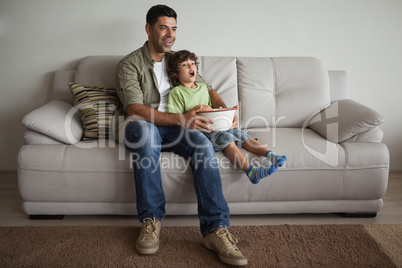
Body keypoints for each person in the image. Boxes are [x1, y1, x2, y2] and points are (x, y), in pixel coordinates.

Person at [115, 5, 247, 266]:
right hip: (143, 123)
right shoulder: (129, 64)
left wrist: (223, 110)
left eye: (174, 28)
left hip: (179, 127)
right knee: (146, 134)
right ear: (149, 29)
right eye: (164, 27)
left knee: (202, 144)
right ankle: (151, 221)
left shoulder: (178, 60)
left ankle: (215, 229)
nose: (170, 34)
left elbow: (208, 89)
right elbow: (134, 108)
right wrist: (181, 119)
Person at [167, 50, 287, 184]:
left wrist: (226, 112)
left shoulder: (202, 88)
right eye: (185, 64)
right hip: (201, 132)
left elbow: (212, 109)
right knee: (227, 139)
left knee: (241, 134)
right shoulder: (176, 92)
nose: (191, 67)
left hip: (215, 125)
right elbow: (177, 118)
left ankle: (271, 155)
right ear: (175, 73)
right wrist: (200, 110)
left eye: (193, 63)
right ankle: (251, 171)